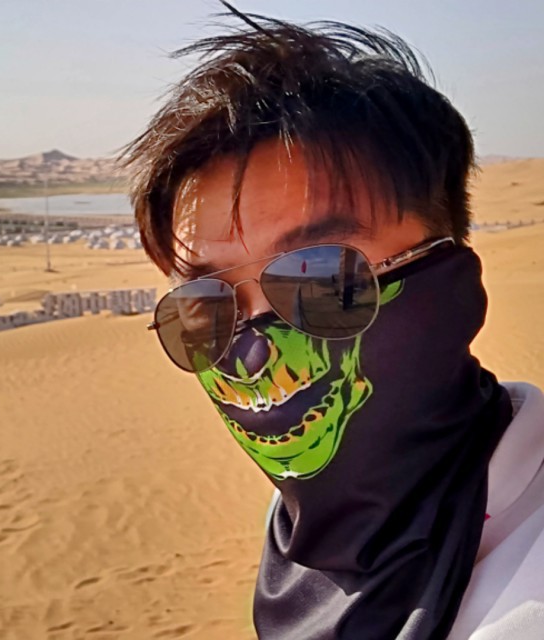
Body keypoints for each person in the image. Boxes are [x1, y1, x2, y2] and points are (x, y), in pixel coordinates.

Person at [119, 6, 544, 639]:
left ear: (450, 284)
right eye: (205, 306)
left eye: (321, 279)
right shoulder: (303, 522)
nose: (252, 353)